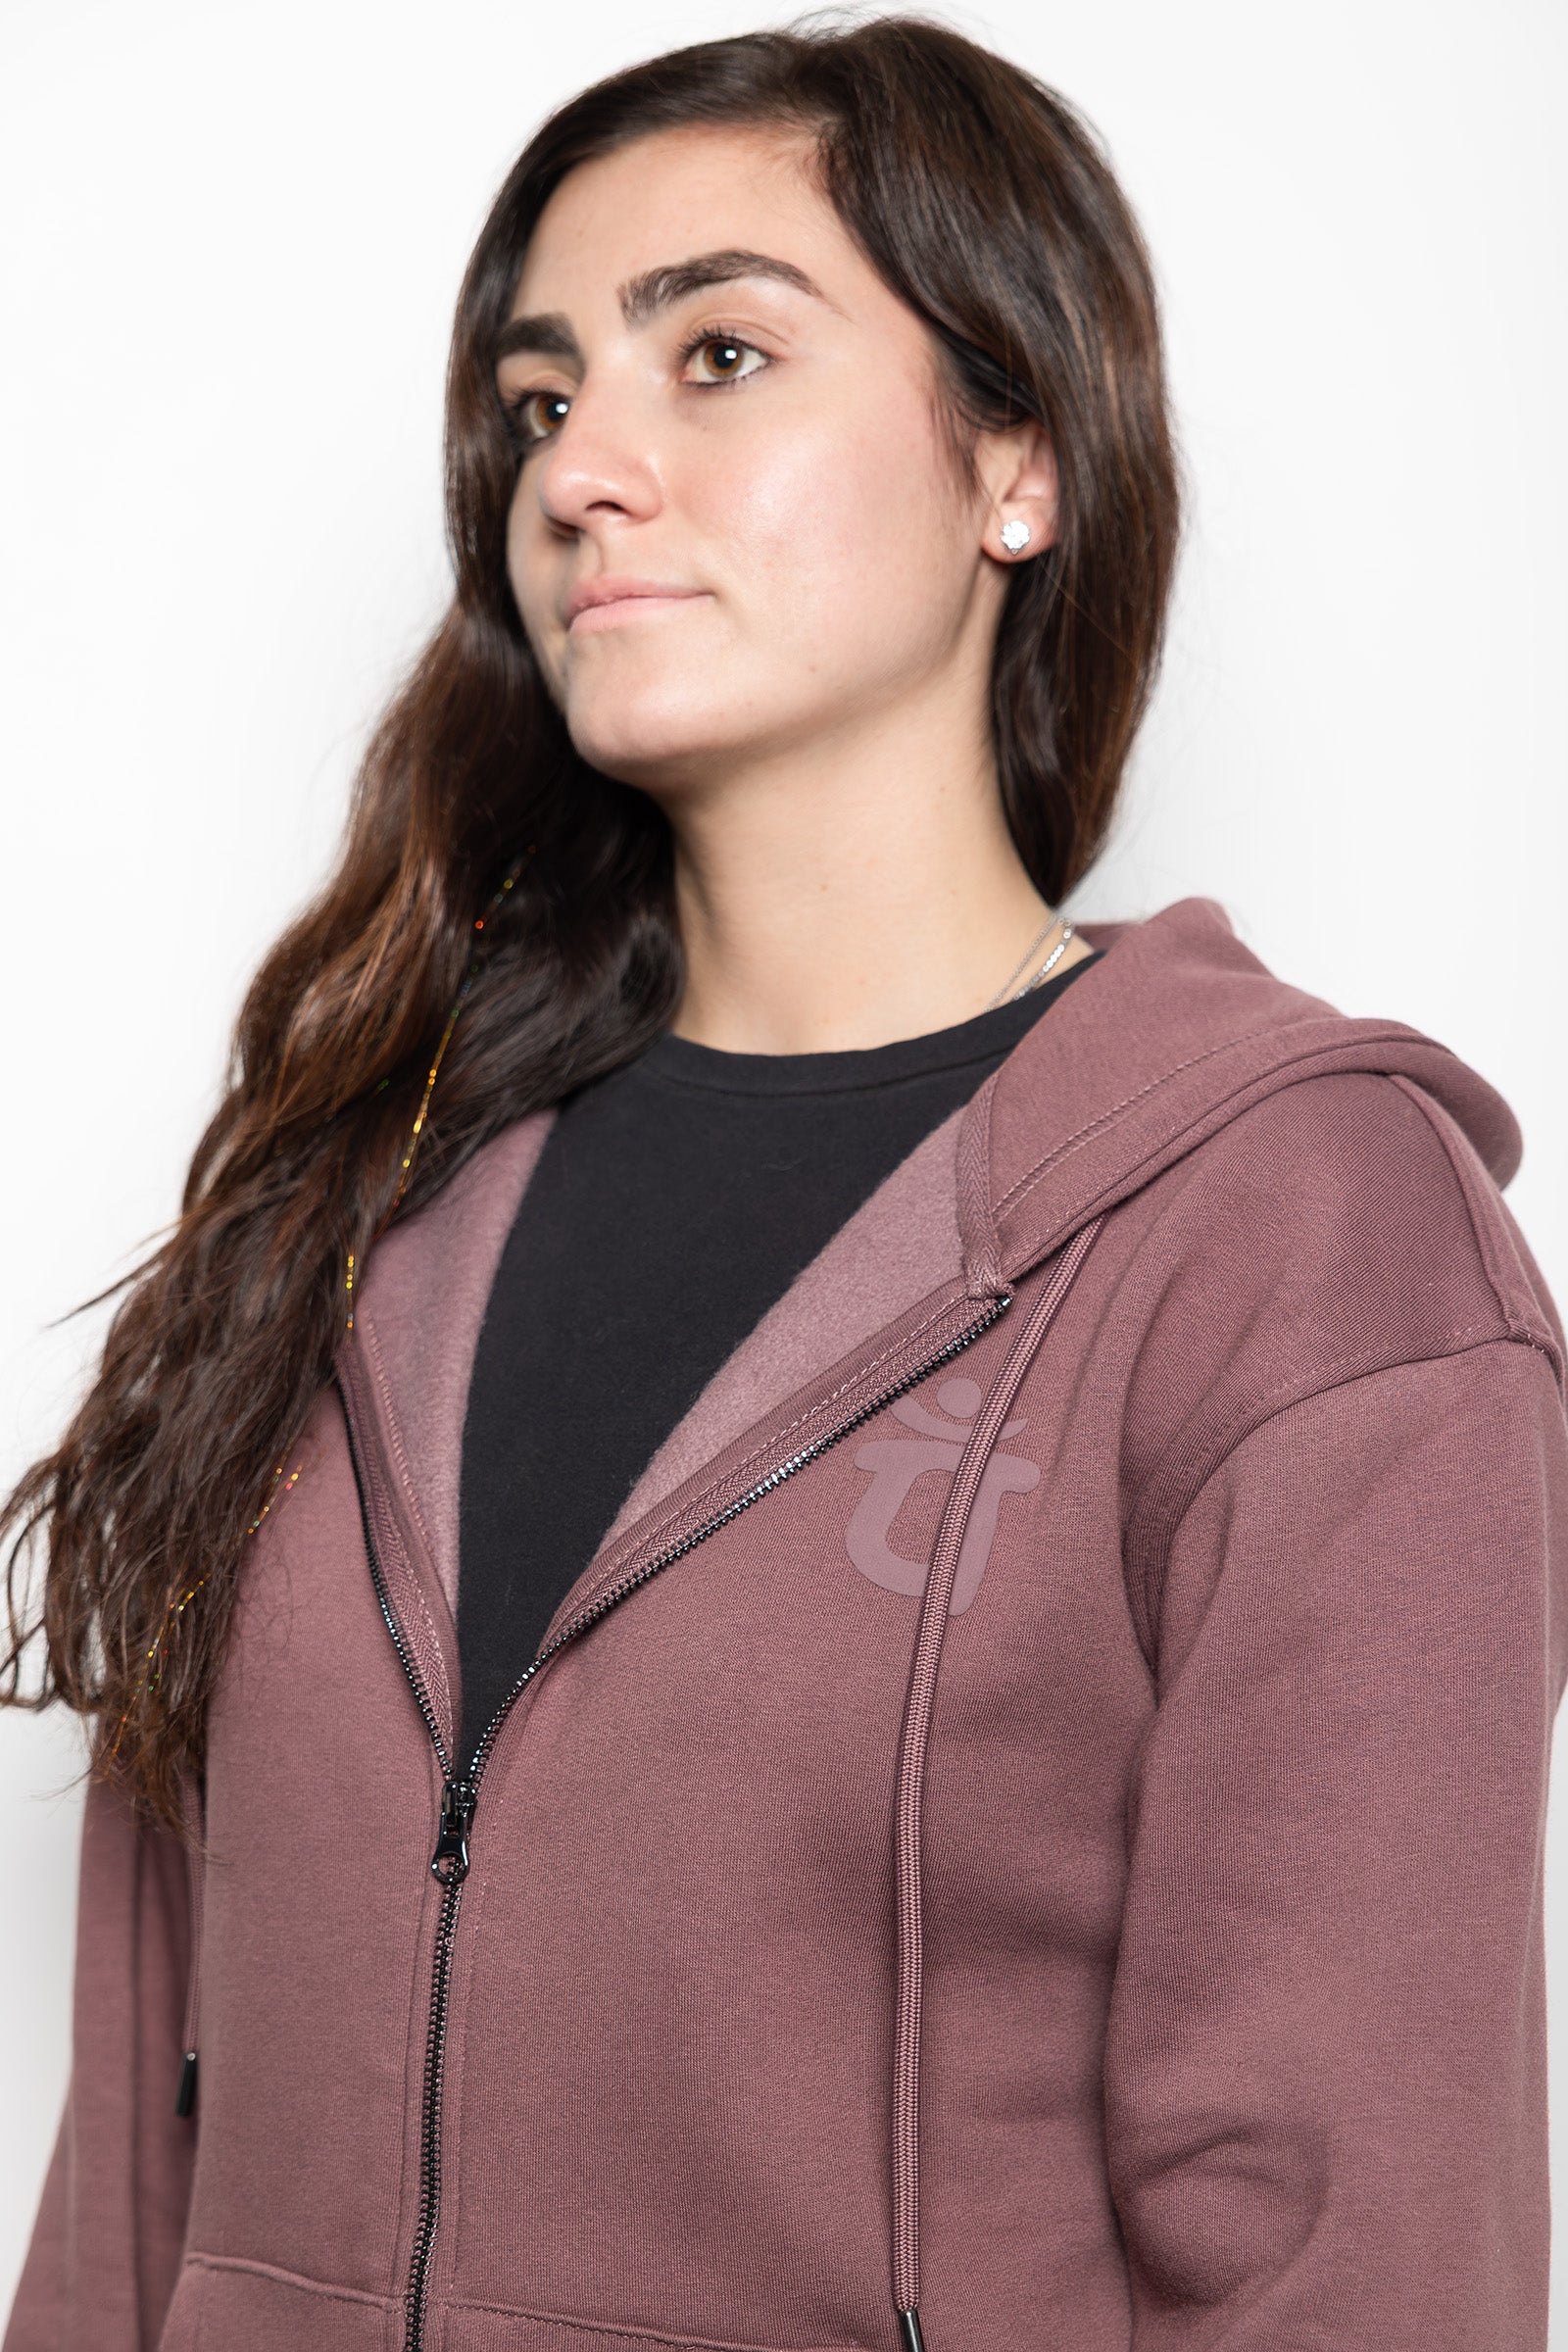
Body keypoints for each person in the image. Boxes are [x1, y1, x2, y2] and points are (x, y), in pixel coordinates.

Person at [4, 19, 1564, 2352]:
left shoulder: (1300, 1243)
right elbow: (135, 2160)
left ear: (1017, 462)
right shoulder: (352, 1188)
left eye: (716, 357)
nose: (579, 471)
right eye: (540, 398)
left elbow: (1351, 2254)